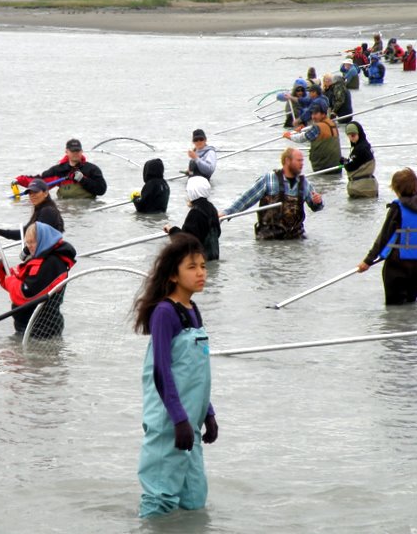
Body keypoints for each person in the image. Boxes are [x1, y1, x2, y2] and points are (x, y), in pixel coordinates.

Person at [133, 234, 218, 519]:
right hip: (169, 422)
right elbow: (161, 371)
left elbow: (197, 373)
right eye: (192, 267)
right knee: (159, 498)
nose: (201, 273)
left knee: (194, 500)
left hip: (189, 423)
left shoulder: (193, 311)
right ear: (173, 275)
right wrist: (179, 419)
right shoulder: (164, 313)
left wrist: (208, 413)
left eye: (203, 266)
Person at [357, 168, 417, 305]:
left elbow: (384, 237)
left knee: (393, 310)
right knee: (411, 306)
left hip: (396, 265)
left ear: (397, 189)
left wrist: (368, 261)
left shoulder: (397, 208)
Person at [0, 222, 76, 338]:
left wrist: (10, 280)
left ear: (44, 240)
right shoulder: (37, 259)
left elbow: (26, 294)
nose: (29, 246)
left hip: (43, 332)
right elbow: (15, 281)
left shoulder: (53, 263)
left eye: (32, 242)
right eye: (27, 242)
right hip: (27, 327)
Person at [222, 148, 323, 240]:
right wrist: (226, 213)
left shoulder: (305, 183)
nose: (302, 164)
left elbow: (316, 208)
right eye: (299, 160)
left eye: (302, 161)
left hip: (295, 237)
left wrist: (318, 202)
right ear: (287, 161)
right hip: (268, 237)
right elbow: (247, 199)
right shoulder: (269, 179)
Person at [0, 178, 65, 259]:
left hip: (51, 256)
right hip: (46, 253)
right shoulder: (41, 209)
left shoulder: (47, 211)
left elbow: (39, 237)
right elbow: (25, 233)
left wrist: (26, 251)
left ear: (46, 193)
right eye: (30, 193)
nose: (32, 195)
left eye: (35, 192)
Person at [14, 138, 107, 200]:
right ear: (66, 151)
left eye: (78, 151)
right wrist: (19, 180)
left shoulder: (92, 169)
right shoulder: (59, 170)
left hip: (87, 210)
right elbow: (40, 182)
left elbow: (101, 190)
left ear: (82, 151)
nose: (75, 153)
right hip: (66, 212)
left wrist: (82, 180)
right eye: (73, 151)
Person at [164, 176, 220, 261]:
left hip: (199, 262)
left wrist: (171, 230)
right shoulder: (212, 208)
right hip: (214, 258)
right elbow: (218, 232)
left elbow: (186, 241)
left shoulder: (195, 213)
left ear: (192, 192)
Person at [283, 99, 342, 173]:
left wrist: (289, 136)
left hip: (323, 167)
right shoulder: (332, 124)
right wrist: (296, 131)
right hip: (337, 166)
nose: (313, 117)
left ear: (323, 114)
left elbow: (302, 138)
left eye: (316, 114)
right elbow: (311, 134)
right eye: (312, 114)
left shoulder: (318, 127)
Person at [341, 121, 378, 199]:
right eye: (349, 136)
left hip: (360, 189)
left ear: (359, 133)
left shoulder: (359, 149)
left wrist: (343, 162)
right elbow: (358, 162)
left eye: (353, 135)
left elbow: (350, 166)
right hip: (371, 186)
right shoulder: (367, 146)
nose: (351, 138)